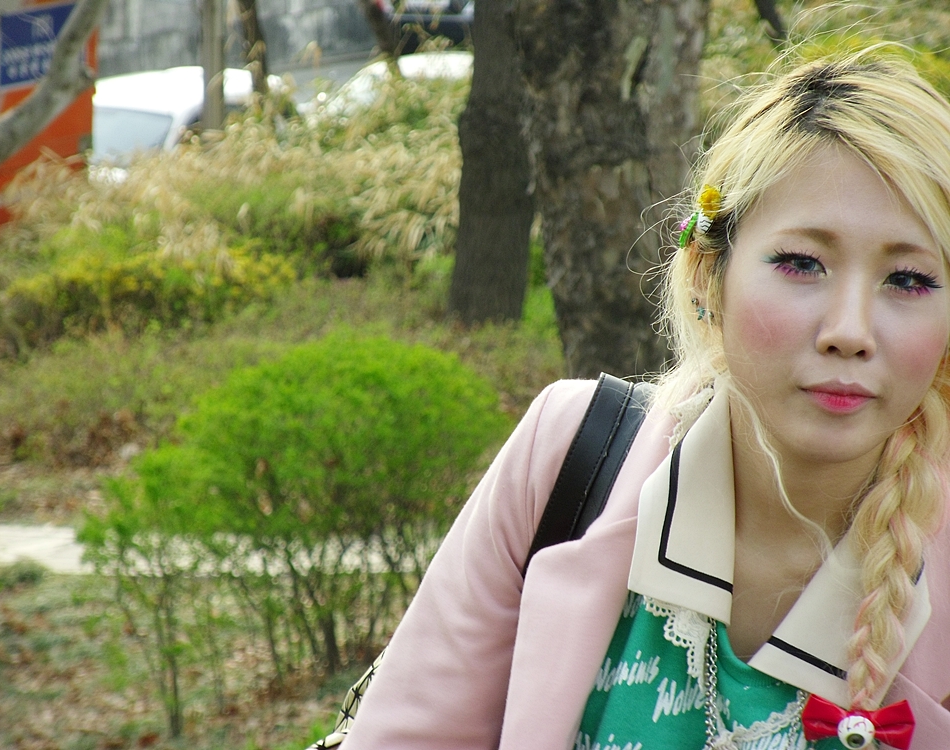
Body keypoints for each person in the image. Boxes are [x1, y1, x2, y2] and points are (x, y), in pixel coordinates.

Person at [340, 50, 950, 749]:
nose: (850, 332)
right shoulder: (568, 457)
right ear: (709, 274)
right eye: (801, 263)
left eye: (908, 279)